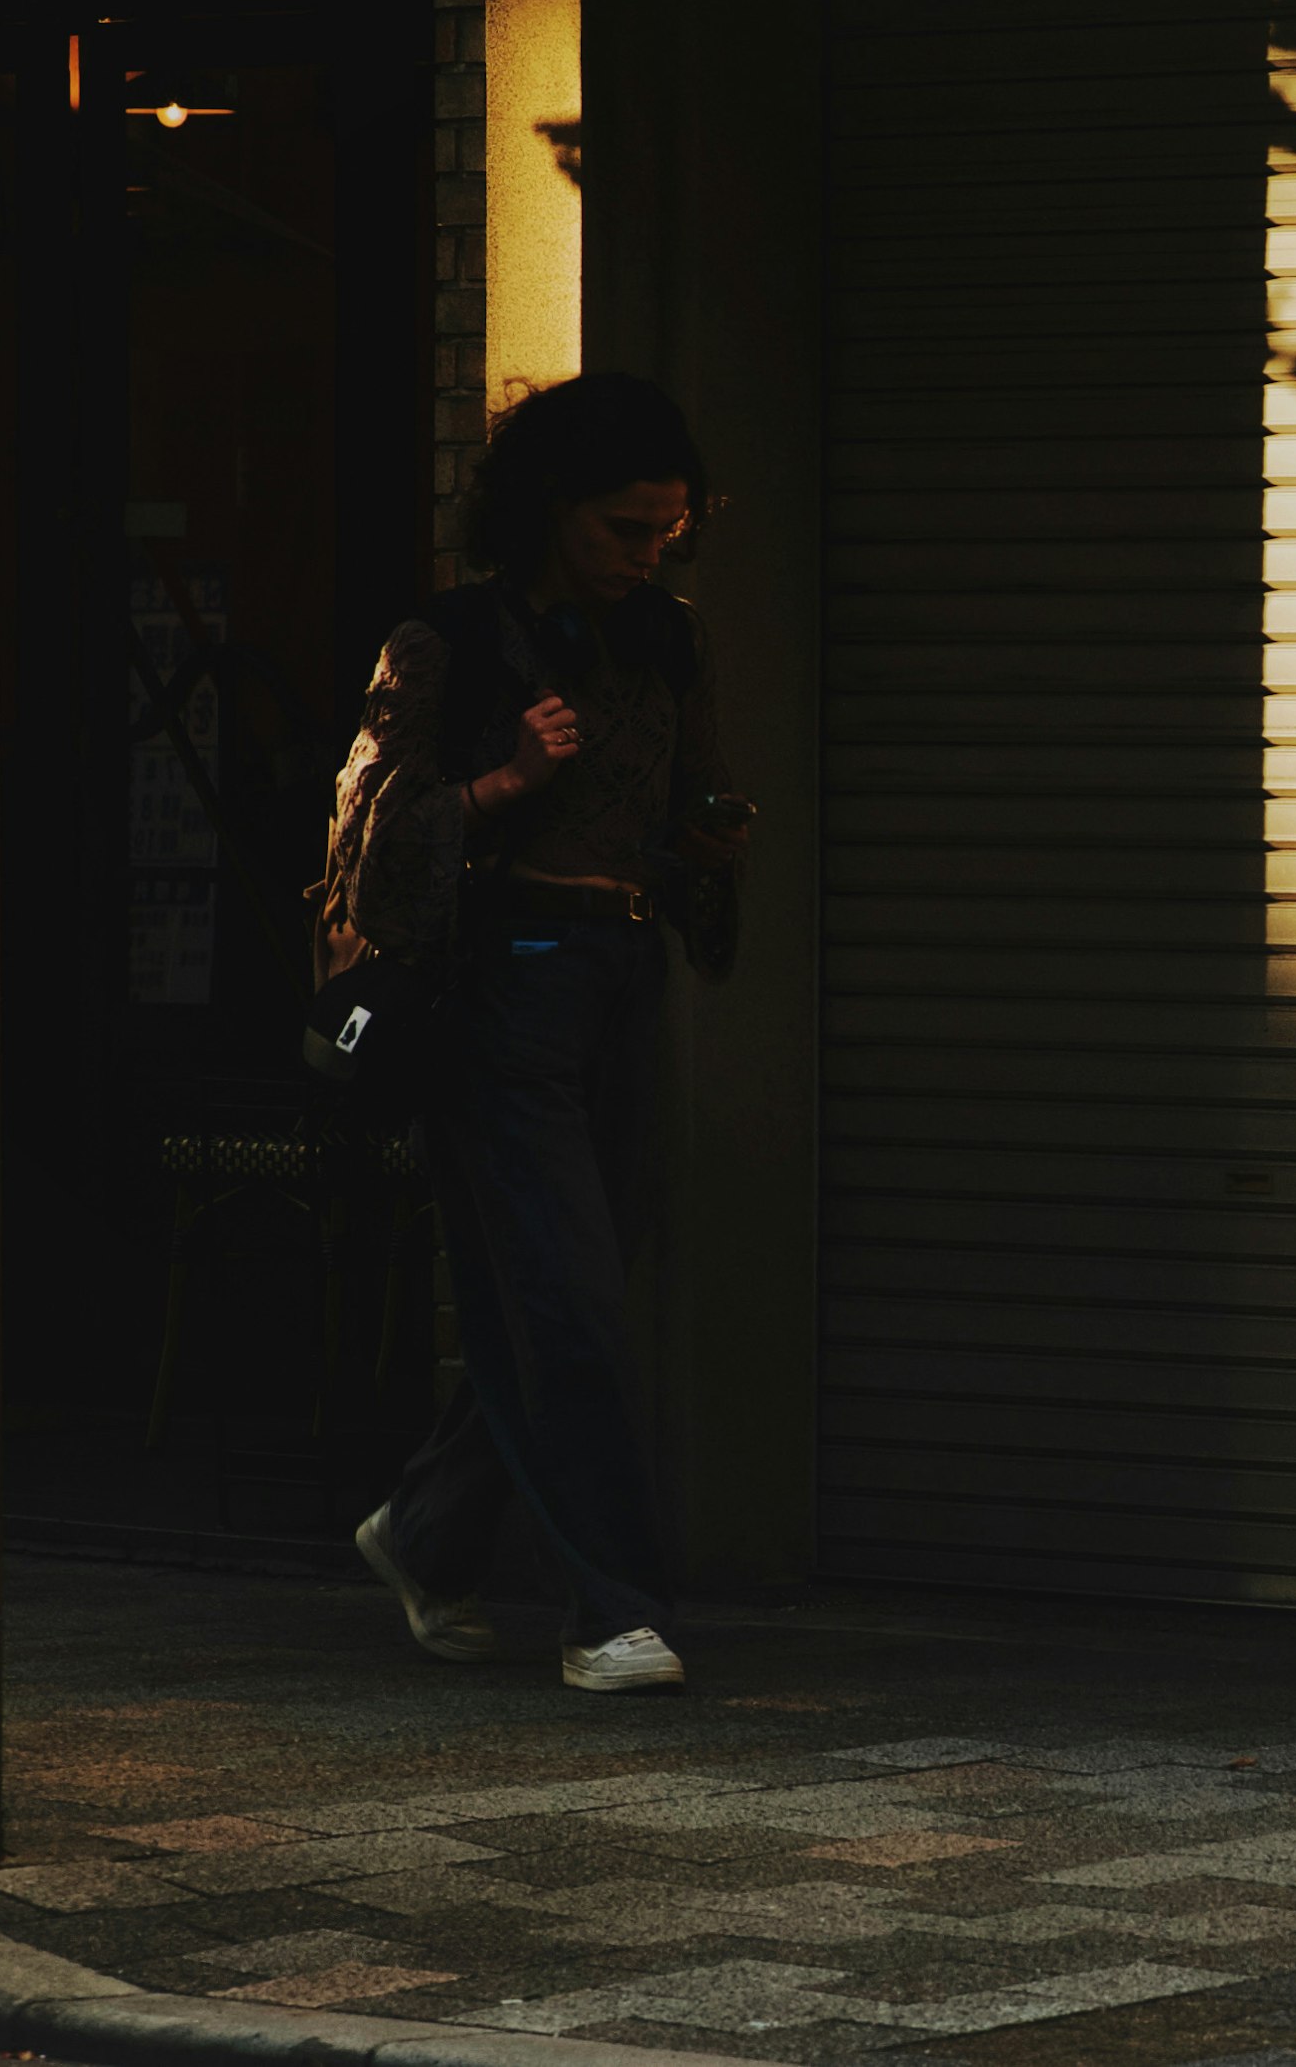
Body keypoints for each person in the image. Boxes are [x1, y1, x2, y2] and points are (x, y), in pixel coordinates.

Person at [317, 374, 746, 1693]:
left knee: (586, 1283)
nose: (645, 552)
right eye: (624, 527)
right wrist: (506, 782)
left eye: (667, 529)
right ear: (553, 510)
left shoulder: (663, 638)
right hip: (502, 983)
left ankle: (433, 1528)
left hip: (619, 974)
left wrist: (705, 842)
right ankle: (613, 1610)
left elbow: (689, 798)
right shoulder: (449, 642)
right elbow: (366, 846)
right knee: (562, 1297)